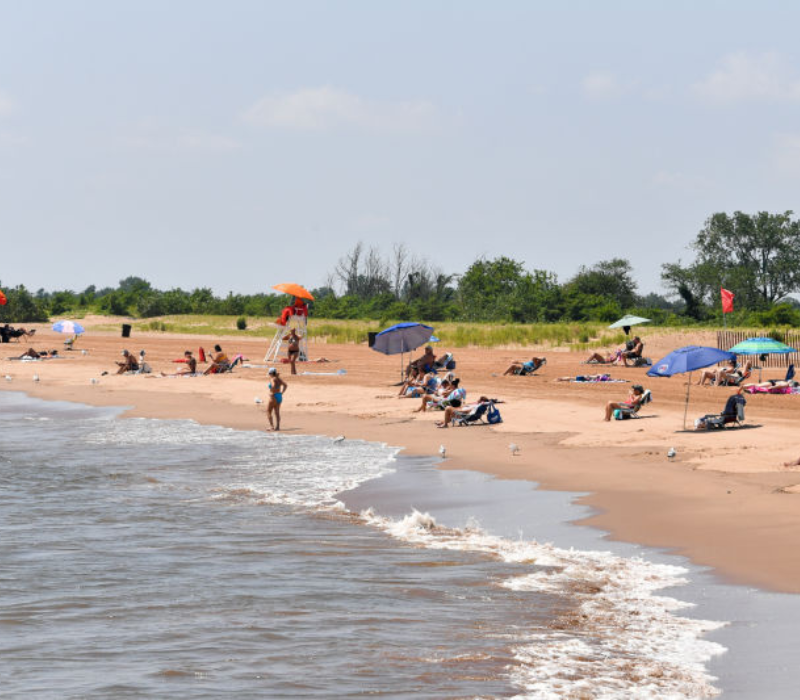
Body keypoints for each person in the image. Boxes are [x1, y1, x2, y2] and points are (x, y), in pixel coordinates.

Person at [266, 367, 287, 431]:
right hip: (279, 396)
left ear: (271, 373)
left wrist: (272, 392)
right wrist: (282, 392)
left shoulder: (272, 379)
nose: (269, 375)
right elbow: (285, 385)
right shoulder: (279, 379)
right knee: (277, 412)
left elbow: (273, 385)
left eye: (269, 373)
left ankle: (272, 427)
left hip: (273, 396)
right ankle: (277, 427)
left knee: (268, 411)